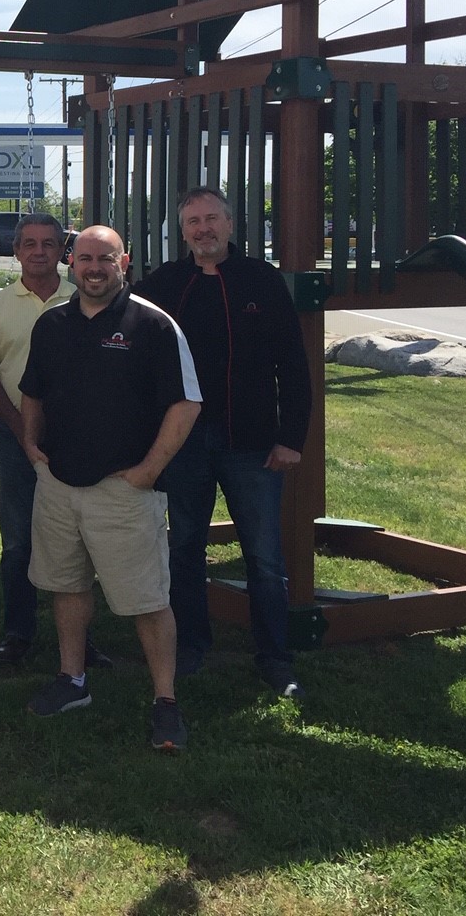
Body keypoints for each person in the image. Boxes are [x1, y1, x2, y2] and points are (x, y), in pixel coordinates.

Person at [18, 225, 202, 751]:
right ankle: (72, 681)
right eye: (85, 259)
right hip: (59, 487)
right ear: (70, 263)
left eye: (106, 259)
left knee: (147, 600)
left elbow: (186, 403)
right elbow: (32, 391)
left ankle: (165, 702)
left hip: (125, 491)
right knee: (66, 585)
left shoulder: (153, 324)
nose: (94, 268)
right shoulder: (51, 324)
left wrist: (147, 470)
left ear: (125, 261)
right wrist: (32, 446)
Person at [132, 186, 312, 697]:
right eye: (192, 222)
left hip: (253, 443)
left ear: (230, 225)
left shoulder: (262, 280)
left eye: (211, 219)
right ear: (182, 231)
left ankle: (275, 656)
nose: (203, 229)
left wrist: (291, 438)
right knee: (185, 547)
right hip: (183, 444)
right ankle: (191, 645)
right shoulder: (165, 284)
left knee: (264, 556)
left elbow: (293, 367)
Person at [0, 212, 85, 667]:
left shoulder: (84, 298)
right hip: (15, 434)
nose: (39, 251)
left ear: (62, 252)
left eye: (49, 243)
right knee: (18, 538)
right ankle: (18, 631)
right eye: (30, 244)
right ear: (15, 251)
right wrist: (21, 428)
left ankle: (79, 635)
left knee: (78, 538)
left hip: (76, 438)